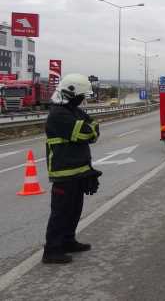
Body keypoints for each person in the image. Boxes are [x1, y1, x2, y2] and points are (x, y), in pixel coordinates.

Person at [43, 74, 102, 264]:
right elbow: (86, 132)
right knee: (61, 212)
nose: (83, 99)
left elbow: (93, 129)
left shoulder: (73, 111)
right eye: (81, 94)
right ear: (72, 92)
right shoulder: (58, 114)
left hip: (78, 170)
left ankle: (68, 241)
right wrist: (90, 130)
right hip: (64, 172)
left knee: (74, 210)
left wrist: (90, 130)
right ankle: (52, 250)